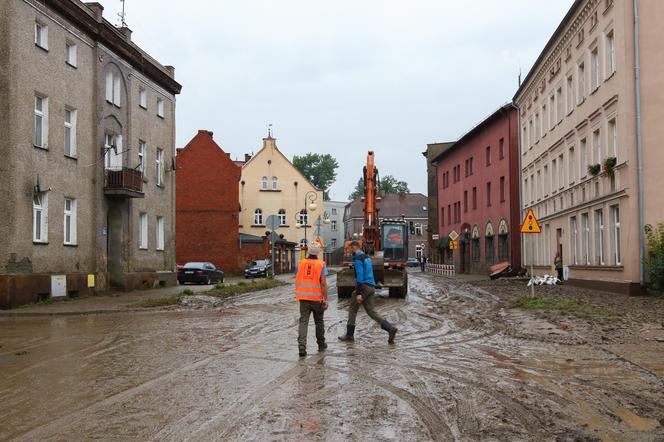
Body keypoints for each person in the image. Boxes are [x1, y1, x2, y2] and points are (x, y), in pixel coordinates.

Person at [339, 241, 398, 344]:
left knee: (352, 309)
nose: (349, 251)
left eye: (350, 249)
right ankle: (390, 328)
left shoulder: (358, 259)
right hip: (371, 286)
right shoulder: (367, 258)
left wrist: (359, 293)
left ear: (354, 247)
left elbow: (360, 277)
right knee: (371, 311)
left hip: (363, 287)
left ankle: (349, 335)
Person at [295, 240, 328, 357]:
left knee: (303, 322)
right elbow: (323, 283)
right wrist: (325, 299)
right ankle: (321, 344)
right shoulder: (321, 264)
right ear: (318, 252)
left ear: (308, 251)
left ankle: (302, 347)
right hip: (317, 299)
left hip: (303, 297)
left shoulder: (300, 263)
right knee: (319, 322)